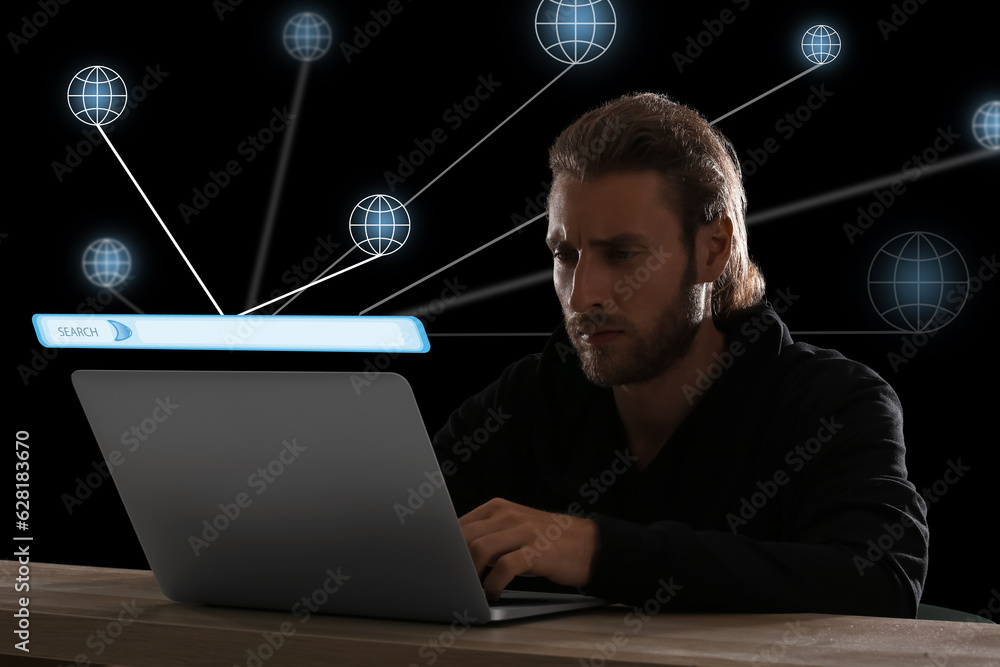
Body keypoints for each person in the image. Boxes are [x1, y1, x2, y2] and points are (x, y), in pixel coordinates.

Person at [431, 93, 929, 617]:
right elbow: (383, 543)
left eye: (623, 254)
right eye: (566, 255)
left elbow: (879, 582)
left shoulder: (832, 403)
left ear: (713, 249)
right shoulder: (527, 398)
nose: (582, 297)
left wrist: (595, 550)